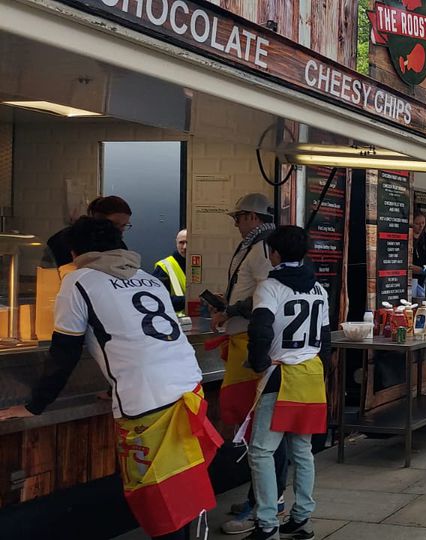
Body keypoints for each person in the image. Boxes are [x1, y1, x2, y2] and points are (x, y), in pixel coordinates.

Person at [0, 217, 222, 540]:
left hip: (148, 404)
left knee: (159, 501)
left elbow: (64, 354)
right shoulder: (149, 279)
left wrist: (35, 406)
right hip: (189, 390)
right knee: (182, 490)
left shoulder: (78, 283)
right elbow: (131, 338)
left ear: (76, 251)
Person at [242, 226, 331, 540]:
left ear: (274, 253)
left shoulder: (269, 287)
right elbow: (324, 339)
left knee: (262, 451)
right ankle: (302, 517)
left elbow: (261, 329)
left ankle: (267, 523)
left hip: (280, 374)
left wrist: (258, 363)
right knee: (302, 449)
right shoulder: (319, 289)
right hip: (311, 372)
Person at [210, 193, 288, 535]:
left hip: (253, 347)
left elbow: (264, 295)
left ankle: (266, 502)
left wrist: (231, 310)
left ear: (253, 218)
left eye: (238, 217)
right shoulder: (256, 245)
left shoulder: (261, 249)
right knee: (257, 425)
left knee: (262, 426)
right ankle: (264, 496)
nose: (236, 224)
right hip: (244, 342)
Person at [46, 195, 133, 268]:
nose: (120, 230)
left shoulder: (119, 246)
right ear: (97, 218)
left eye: (124, 225)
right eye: (115, 224)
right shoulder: (65, 240)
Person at [152, 229, 188, 316]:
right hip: (174, 321)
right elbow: (159, 299)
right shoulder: (164, 266)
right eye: (181, 243)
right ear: (176, 243)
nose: (185, 247)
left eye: (188, 242)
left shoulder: (202, 264)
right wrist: (188, 301)